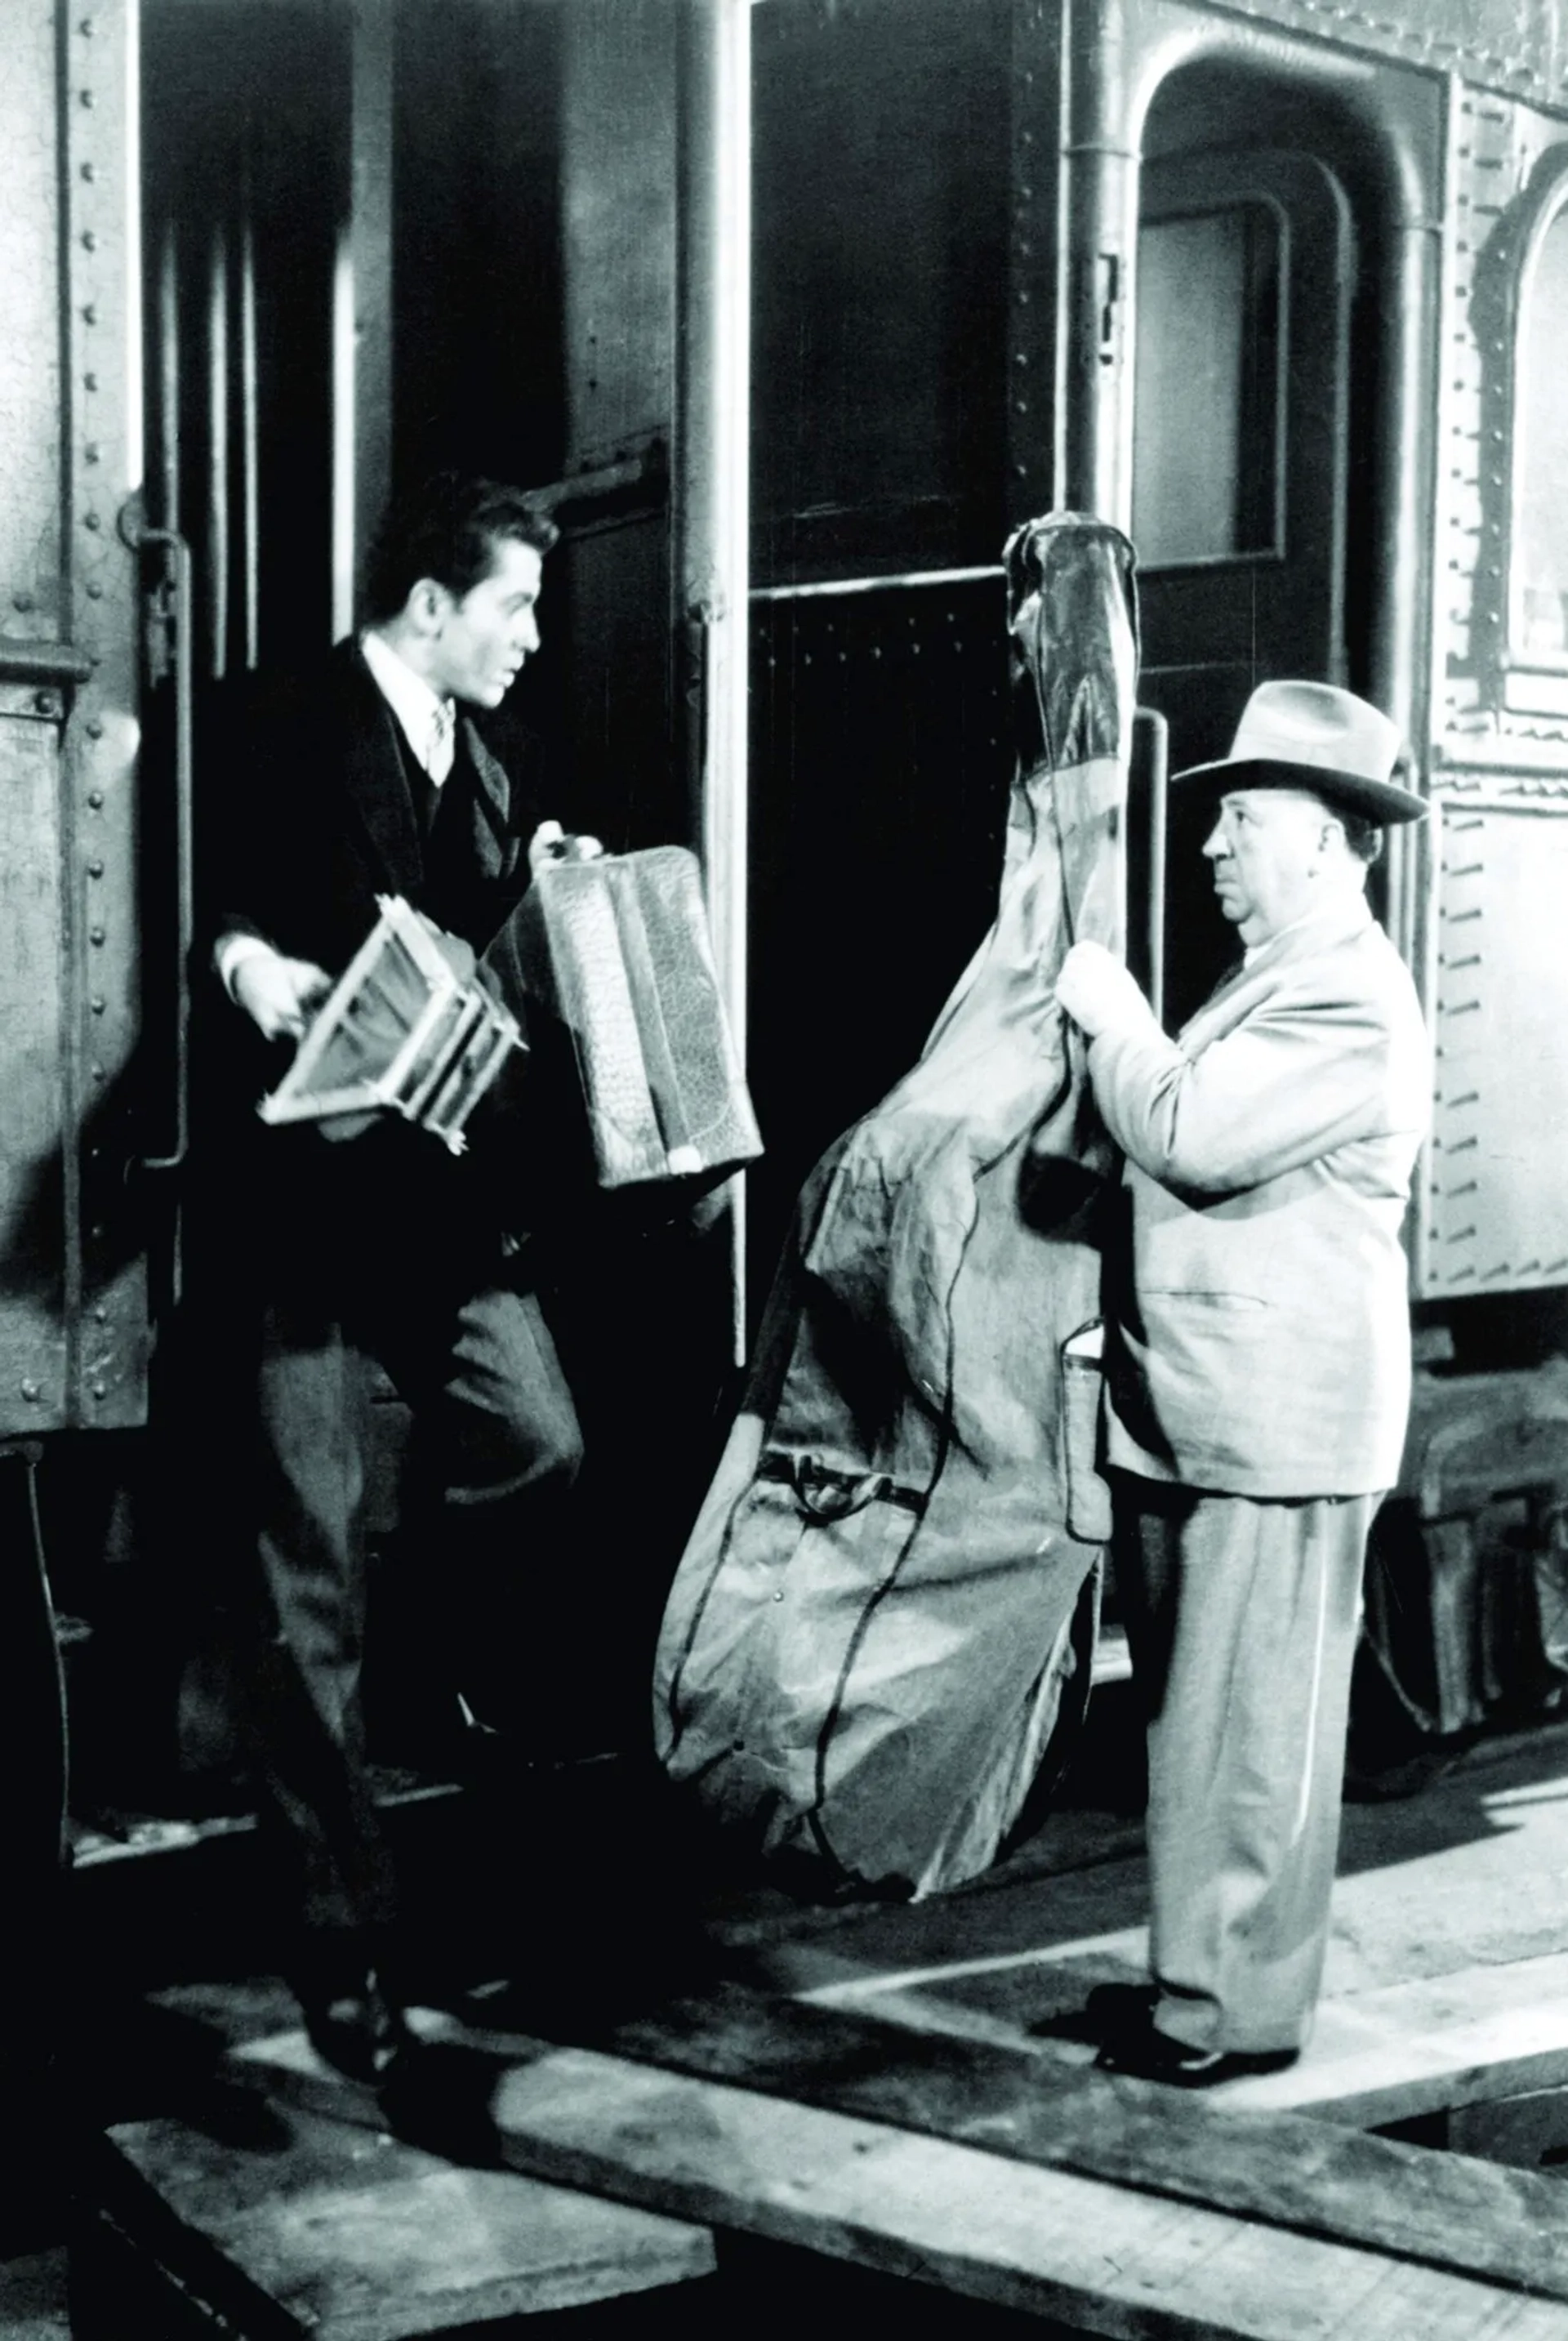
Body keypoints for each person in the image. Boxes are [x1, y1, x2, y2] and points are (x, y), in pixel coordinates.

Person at [206, 473, 583, 2081]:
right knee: (304, 1600)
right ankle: (340, 1945)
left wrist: (544, 882)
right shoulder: (275, 716)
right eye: (514, 607)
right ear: (433, 608)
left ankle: (426, 1681)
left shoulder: (493, 769)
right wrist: (250, 966)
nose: (533, 636)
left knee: (540, 1440)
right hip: (298, 1216)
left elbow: (476, 943)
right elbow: (196, 896)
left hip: (437, 1212)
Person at [1054, 680, 1431, 2089]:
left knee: (1251, 1738)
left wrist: (1111, 1015)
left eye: (1244, 820)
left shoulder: (1346, 991)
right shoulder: (1279, 968)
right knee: (1196, 1730)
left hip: (1276, 1424)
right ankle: (1190, 1981)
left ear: (1332, 843)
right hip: (1209, 1407)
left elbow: (1193, 1133)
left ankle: (1231, 2019)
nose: (1210, 842)